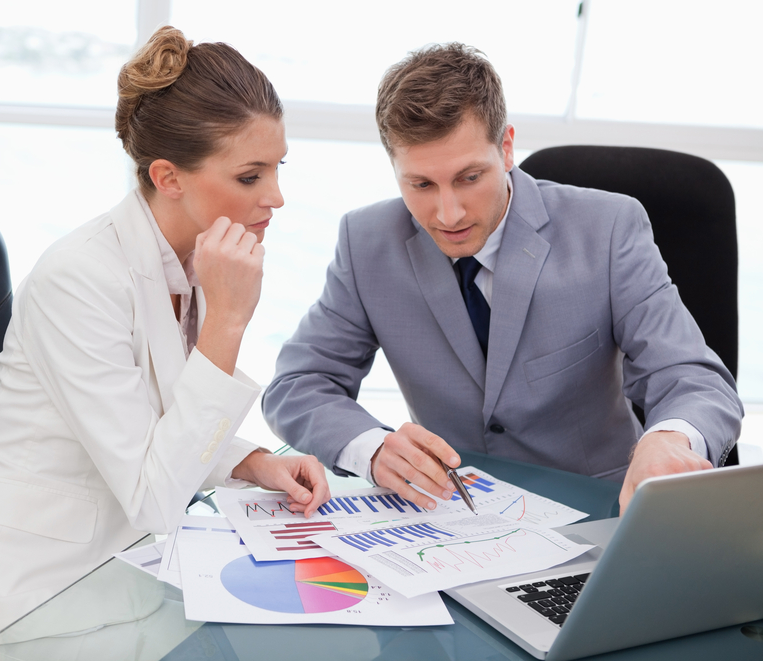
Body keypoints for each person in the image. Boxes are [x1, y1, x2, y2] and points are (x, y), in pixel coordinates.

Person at [0, 27, 330, 657]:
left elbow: (157, 412)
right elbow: (152, 496)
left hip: (129, 579)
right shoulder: (78, 278)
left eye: (277, 168)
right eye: (250, 175)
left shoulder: (193, 256)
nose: (275, 197)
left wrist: (248, 462)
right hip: (24, 603)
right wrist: (226, 324)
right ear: (168, 176)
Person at [262, 43, 741, 518]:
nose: (448, 214)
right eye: (421, 184)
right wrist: (372, 448)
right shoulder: (367, 242)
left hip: (597, 516)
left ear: (507, 147)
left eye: (469, 177)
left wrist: (668, 438)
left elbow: (694, 379)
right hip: (452, 522)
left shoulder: (609, 229)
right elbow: (297, 384)